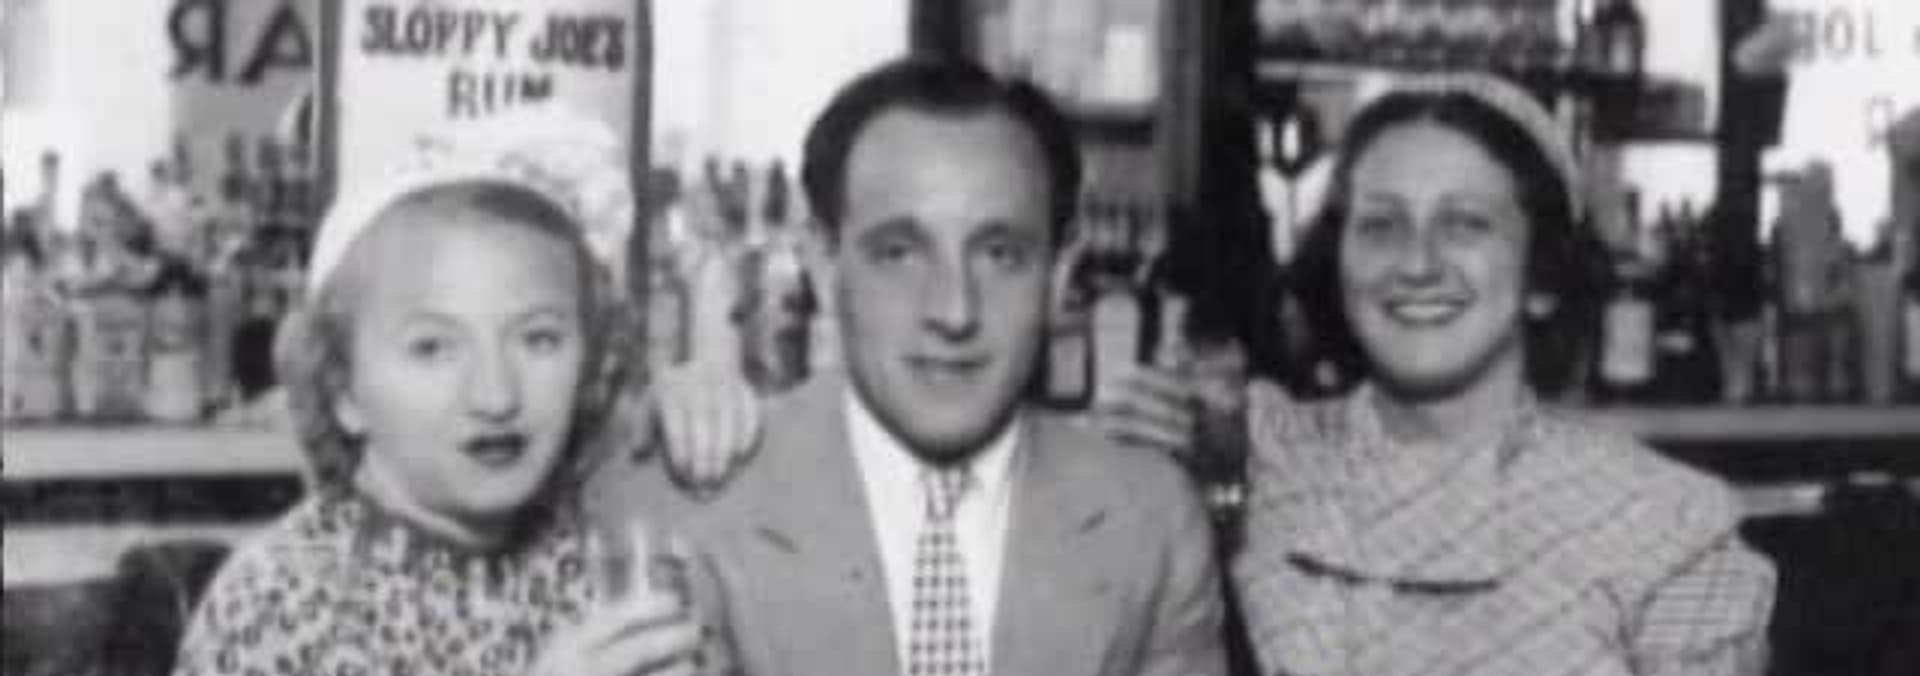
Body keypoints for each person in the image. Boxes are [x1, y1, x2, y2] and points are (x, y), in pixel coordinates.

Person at [1095, 76, 1778, 676]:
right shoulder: (1253, 453)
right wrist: (1132, 476)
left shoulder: (1666, 527)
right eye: (1380, 225)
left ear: (1541, 274)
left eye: (1466, 224)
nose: (1417, 264)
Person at [591, 55, 1226, 676]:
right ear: (823, 265)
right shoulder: (679, 508)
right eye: (899, 253)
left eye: (1000, 255)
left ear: (1059, 276)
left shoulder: (1153, 522)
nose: (954, 310)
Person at [171, 164, 754, 676]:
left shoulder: (605, 553)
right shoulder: (280, 602)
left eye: (539, 339)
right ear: (343, 388)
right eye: (432, 349)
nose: (495, 395)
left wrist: (702, 410)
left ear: (589, 361)